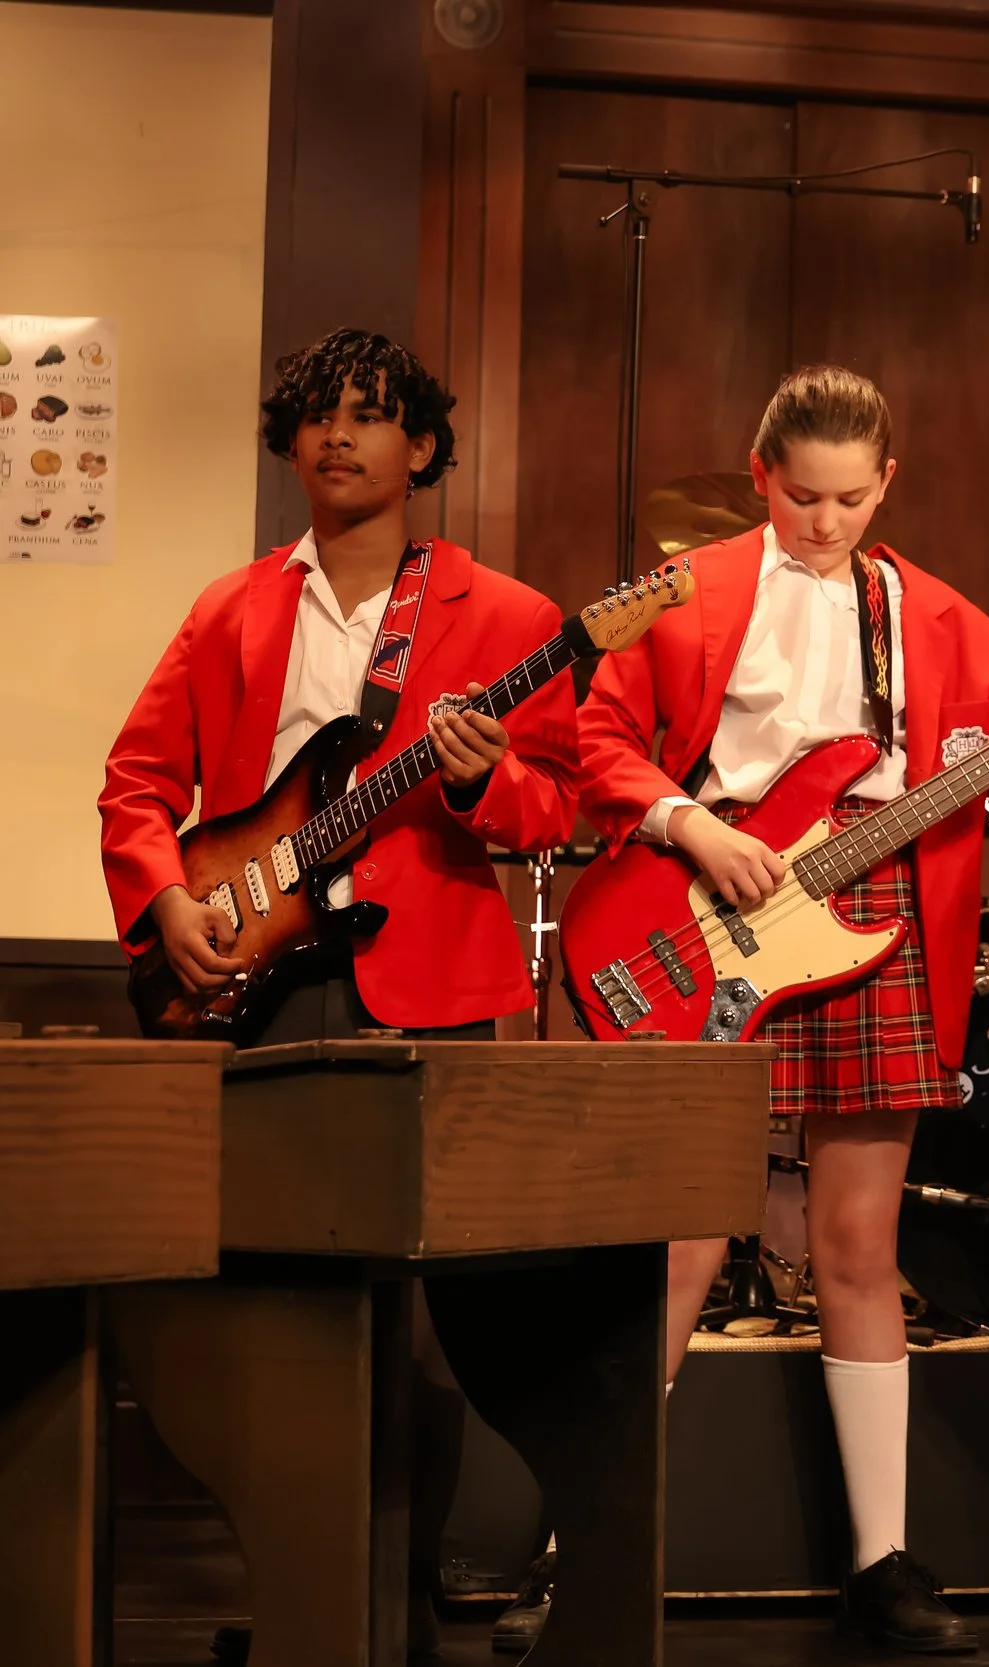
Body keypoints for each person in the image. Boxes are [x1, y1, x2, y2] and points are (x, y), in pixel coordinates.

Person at [576, 363, 989, 1655]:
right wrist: (693, 825)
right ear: (761, 478)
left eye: (850, 498)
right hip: (724, 901)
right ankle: (584, 1552)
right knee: (682, 1243)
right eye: (802, 495)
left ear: (888, 484)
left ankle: (884, 1563)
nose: (825, 521)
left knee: (863, 1247)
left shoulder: (952, 627)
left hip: (882, 931)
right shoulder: (686, 595)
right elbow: (597, 742)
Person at [99, 327, 580, 1662]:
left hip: (427, 988)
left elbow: (560, 805)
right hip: (256, 985)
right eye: (316, 413)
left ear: (421, 445)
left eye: (371, 414)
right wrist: (169, 902)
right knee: (273, 1304)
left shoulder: (513, 617)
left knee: (419, 1320)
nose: (339, 433)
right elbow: (137, 788)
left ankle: (406, 1603)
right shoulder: (230, 607)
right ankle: (303, 1597)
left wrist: (483, 780)